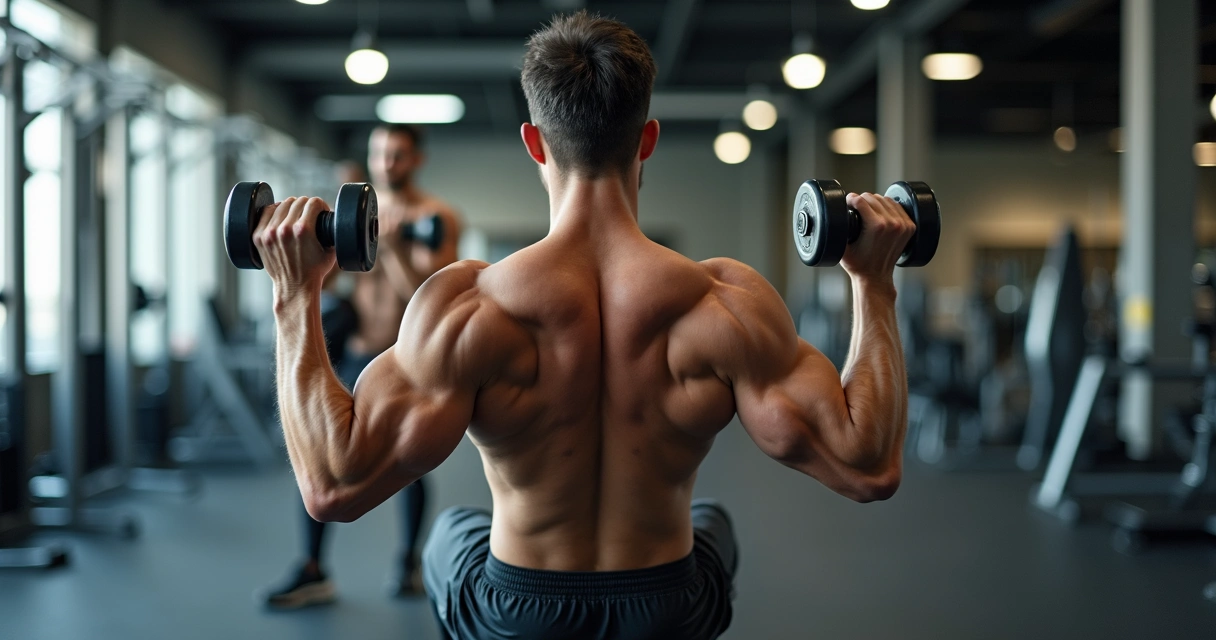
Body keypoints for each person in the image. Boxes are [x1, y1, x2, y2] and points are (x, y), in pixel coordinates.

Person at [252, 11, 910, 639]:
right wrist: (874, 282)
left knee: (450, 533)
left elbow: (333, 486)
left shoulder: (469, 306)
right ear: (646, 139)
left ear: (534, 143)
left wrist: (294, 292)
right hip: (667, 609)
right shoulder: (724, 301)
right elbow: (868, 467)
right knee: (713, 524)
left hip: (519, 616)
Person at [260, 127, 463, 610]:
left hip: (404, 359)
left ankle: (407, 562)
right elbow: (327, 286)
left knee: (409, 463)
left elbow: (433, 298)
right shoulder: (352, 212)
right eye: (379, 153)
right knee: (317, 450)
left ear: (416, 160)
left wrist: (390, 246)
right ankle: (312, 568)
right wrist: (318, 248)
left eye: (397, 155)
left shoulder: (436, 216)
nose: (386, 163)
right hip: (355, 350)